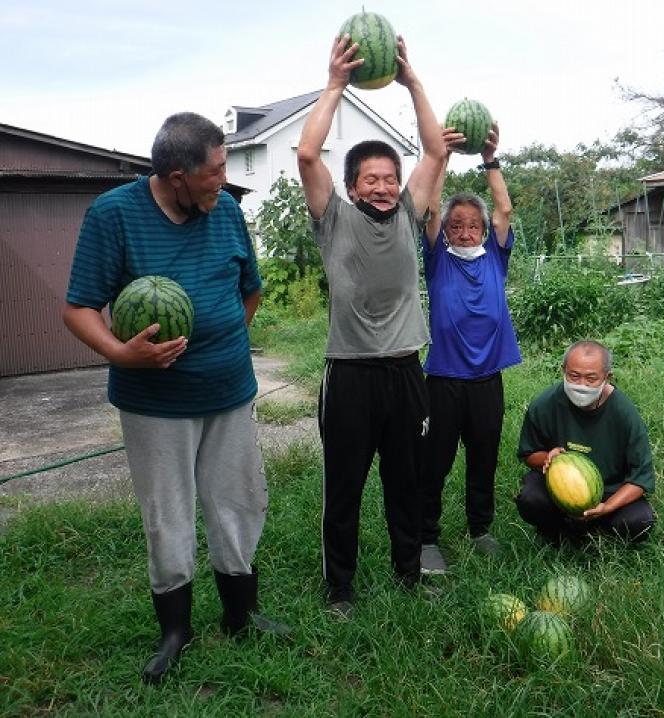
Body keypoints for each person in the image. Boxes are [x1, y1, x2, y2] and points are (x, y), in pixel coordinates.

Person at [62, 112, 288, 685]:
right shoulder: (114, 215)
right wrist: (122, 352)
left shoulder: (227, 211)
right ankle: (175, 631)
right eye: (214, 171)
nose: (224, 179)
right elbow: (79, 308)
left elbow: (250, 291)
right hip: (153, 403)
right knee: (168, 516)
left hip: (230, 393)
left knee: (239, 502)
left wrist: (222, 347)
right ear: (176, 174)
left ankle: (241, 614)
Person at [297, 33, 447, 619]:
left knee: (405, 480)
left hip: (407, 369)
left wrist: (412, 83)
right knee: (346, 486)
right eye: (372, 180)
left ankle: (408, 571)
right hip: (351, 376)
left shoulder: (410, 215)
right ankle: (340, 588)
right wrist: (335, 85)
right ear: (354, 184)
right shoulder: (333, 220)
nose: (383, 187)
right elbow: (308, 156)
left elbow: (434, 153)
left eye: (390, 178)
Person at [418, 124, 522, 574]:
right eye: (456, 225)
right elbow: (427, 210)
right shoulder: (438, 259)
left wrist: (490, 159)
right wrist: (440, 157)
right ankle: (425, 538)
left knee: (484, 459)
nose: (463, 231)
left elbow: (504, 207)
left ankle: (480, 529)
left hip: (486, 381)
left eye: (472, 225)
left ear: (483, 230)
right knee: (434, 464)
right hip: (443, 381)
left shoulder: (495, 258)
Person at [515, 340, 656, 545]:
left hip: (609, 491)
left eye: (591, 378)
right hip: (560, 489)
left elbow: (640, 479)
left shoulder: (624, 414)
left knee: (639, 521)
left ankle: (597, 526)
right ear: (563, 370)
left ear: (607, 377)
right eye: (574, 376)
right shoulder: (545, 404)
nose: (581, 384)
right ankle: (557, 530)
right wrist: (548, 458)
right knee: (531, 499)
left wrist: (607, 507)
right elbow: (529, 454)